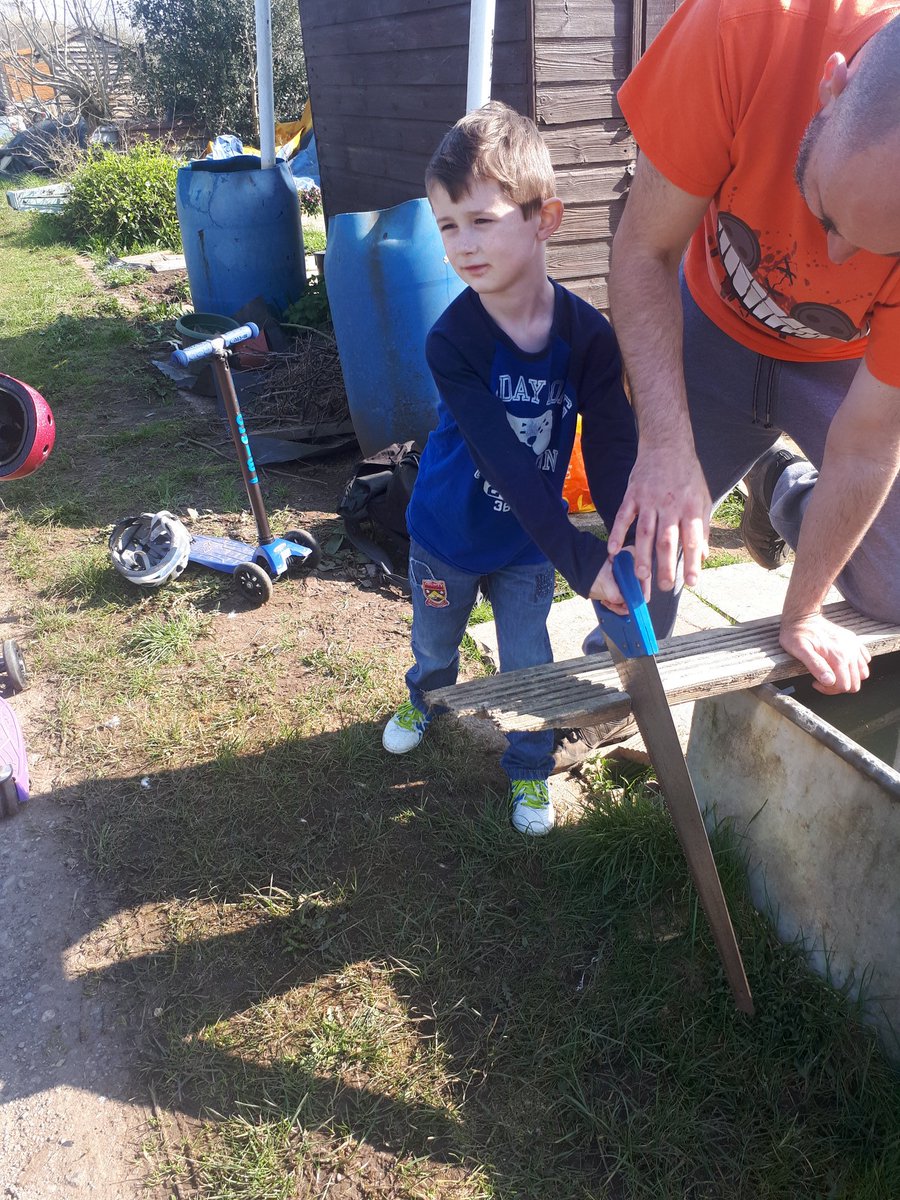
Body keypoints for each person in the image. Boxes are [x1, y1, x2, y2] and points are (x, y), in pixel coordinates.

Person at [605, 0, 900, 697]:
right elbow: (644, 249)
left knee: (891, 590)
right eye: (829, 212)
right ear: (830, 88)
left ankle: (780, 487)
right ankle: (611, 691)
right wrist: (665, 446)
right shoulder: (739, 28)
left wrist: (802, 612)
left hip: (839, 368)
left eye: (880, 246)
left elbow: (868, 444)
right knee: (647, 559)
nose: (834, 254)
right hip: (706, 322)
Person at [381, 101, 643, 836]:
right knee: (435, 641)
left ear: (543, 219)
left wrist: (619, 539)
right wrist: (581, 558)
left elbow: (615, 445)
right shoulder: (452, 341)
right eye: (447, 225)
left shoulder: (589, 338)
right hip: (447, 536)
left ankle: (529, 766)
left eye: (482, 220)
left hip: (526, 548)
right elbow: (509, 463)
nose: (462, 244)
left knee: (530, 662)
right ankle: (426, 696)